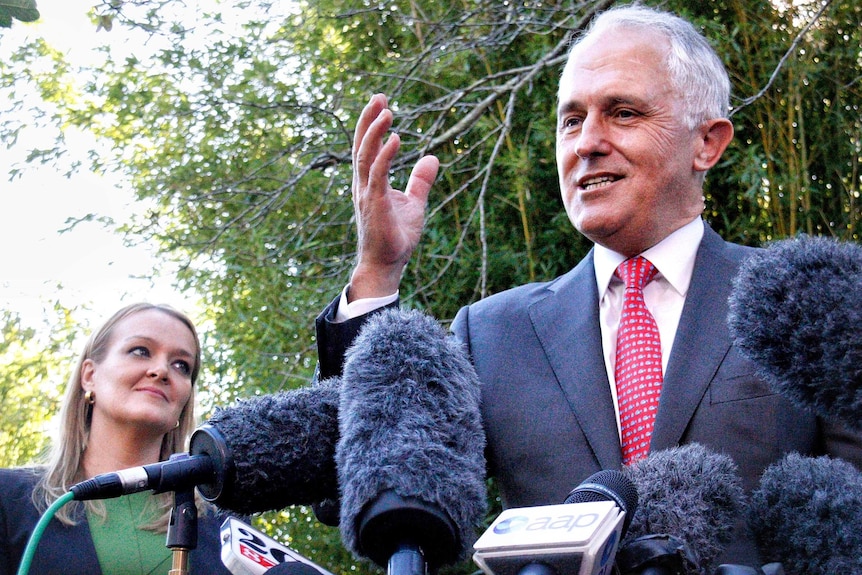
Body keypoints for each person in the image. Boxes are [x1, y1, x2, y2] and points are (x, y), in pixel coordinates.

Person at [314, 4, 862, 566]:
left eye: (623, 113)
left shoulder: (802, 304)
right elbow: (364, 484)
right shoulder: (492, 334)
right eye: (571, 121)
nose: (586, 143)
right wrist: (378, 271)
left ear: (708, 144)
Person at [0, 303, 233, 575]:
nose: (161, 370)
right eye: (140, 351)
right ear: (90, 376)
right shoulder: (9, 499)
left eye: (181, 365)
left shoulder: (224, 523)